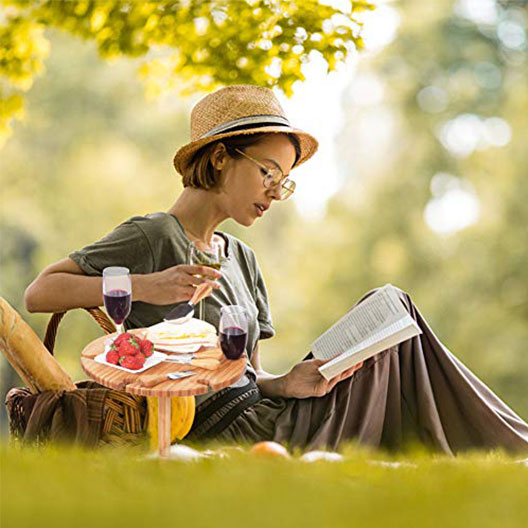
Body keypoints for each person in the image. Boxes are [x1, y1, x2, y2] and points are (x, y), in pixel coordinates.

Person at [25, 85, 528, 455]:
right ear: (220, 157)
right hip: (229, 430)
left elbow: (251, 375)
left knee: (393, 318)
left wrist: (287, 382)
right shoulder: (155, 235)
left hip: (270, 410)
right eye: (269, 173)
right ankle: (510, 446)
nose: (274, 192)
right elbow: (40, 292)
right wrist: (145, 286)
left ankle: (504, 445)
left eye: (284, 183)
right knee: (395, 313)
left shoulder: (242, 257)